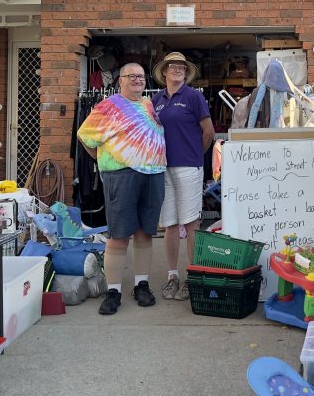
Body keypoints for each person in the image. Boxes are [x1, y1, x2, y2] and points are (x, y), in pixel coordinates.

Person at [77, 63, 166, 315]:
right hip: (121, 175)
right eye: (132, 76)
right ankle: (113, 290)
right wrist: (106, 161)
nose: (138, 80)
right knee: (118, 236)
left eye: (141, 75)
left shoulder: (150, 104)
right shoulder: (109, 106)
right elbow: (85, 137)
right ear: (121, 81)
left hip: (154, 174)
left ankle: (141, 285)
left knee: (144, 234)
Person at [151, 51, 214, 301]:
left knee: (191, 224)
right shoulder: (155, 100)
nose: (177, 69)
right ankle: (172, 276)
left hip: (188, 167)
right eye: (172, 66)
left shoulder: (194, 97)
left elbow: (208, 132)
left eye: (182, 66)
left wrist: (195, 155)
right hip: (162, 167)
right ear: (164, 72)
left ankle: (192, 275)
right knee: (169, 224)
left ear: (186, 73)